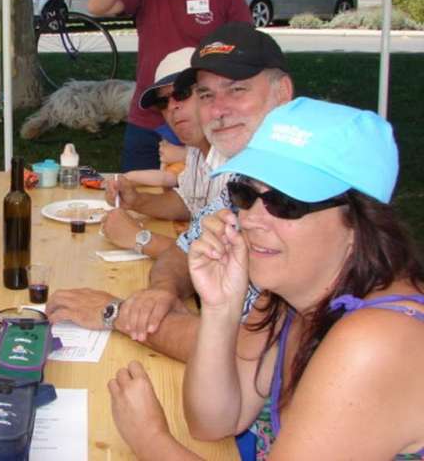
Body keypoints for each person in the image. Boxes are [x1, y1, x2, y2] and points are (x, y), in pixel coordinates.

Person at [109, 97, 424, 460]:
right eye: (244, 194)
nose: (251, 219)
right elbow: (213, 422)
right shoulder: (286, 300)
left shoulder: (375, 341)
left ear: (359, 222)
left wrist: (150, 439)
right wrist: (220, 307)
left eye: (285, 203)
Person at [47, 23, 293, 365]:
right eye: (206, 95)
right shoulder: (249, 178)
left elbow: (243, 354)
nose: (218, 109)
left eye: (237, 89)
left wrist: (115, 312)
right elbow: (185, 248)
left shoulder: (303, 194)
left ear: (282, 93)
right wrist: (164, 291)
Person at [87, 0, 251, 172]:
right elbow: (96, 5)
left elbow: (245, 59)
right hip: (147, 116)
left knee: (193, 201)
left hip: (200, 121)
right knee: (137, 196)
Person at [97, 46, 224, 259]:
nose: (172, 106)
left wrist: (140, 239)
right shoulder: (196, 148)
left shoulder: (237, 158)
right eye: (163, 101)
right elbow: (188, 202)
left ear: (209, 94)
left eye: (181, 93)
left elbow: (223, 261)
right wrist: (136, 200)